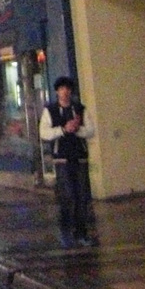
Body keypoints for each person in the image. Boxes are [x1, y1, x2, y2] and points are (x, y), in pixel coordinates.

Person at [39, 77, 96, 248]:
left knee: (81, 197)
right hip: (62, 158)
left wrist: (77, 129)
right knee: (67, 196)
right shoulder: (50, 111)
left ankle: (81, 233)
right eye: (62, 89)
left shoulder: (80, 109)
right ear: (57, 92)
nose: (65, 92)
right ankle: (66, 232)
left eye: (68, 89)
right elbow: (44, 132)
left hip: (79, 157)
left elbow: (91, 130)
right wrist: (63, 130)